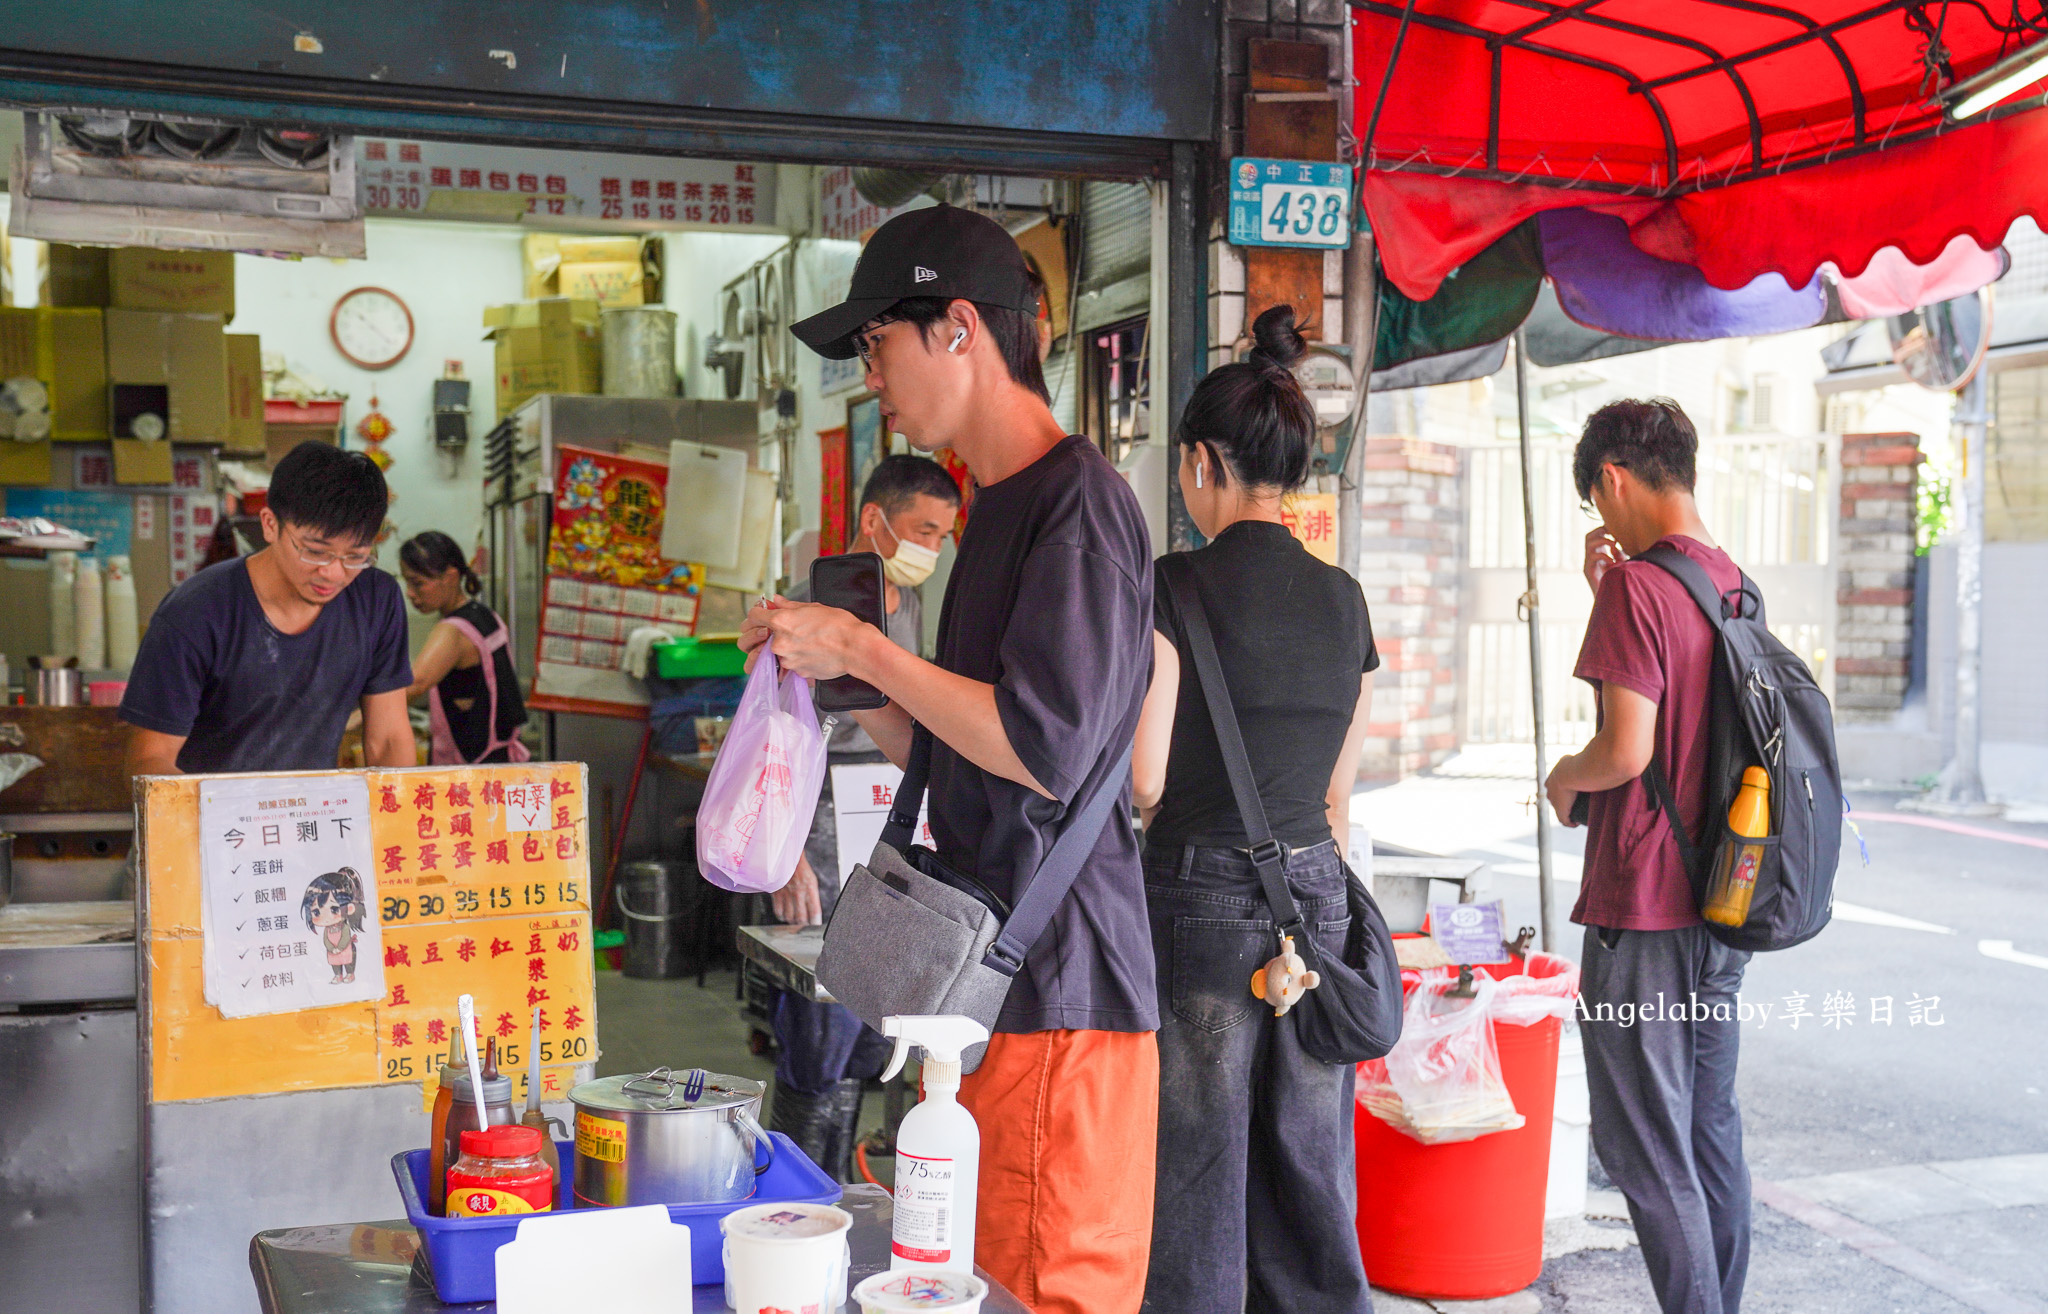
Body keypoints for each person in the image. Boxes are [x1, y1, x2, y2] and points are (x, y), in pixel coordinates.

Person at [744, 203, 1158, 1314]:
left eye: (879, 345)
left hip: (1059, 989)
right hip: (998, 985)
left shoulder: (1074, 504)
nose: (870, 377)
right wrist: (838, 672)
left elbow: (1041, 745)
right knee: (973, 1282)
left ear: (959, 329)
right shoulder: (997, 511)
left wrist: (869, 644)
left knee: (1040, 1288)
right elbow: (967, 744)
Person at [1128, 305, 1378, 1314]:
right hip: (1310, 891)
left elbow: (1145, 781)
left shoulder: (1170, 587)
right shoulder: (1344, 599)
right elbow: (1337, 791)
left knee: (1195, 1153)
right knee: (1306, 1147)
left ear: (1199, 462)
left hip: (1194, 895)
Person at [1543, 398, 1752, 1314]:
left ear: (1614, 480)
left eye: (1597, 499)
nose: (1602, 518)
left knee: (1642, 1145)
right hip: (1726, 898)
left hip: (1646, 907)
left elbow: (1626, 752)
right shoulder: (1731, 581)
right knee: (1706, 1127)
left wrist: (1562, 777)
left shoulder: (1638, 591)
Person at [767, 453, 961, 1180]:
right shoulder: (802, 609)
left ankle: (842, 1191)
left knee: (871, 1029)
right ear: (873, 520)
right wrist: (784, 858)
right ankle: (794, 1189)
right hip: (813, 834)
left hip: (881, 828)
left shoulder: (902, 603)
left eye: (944, 536)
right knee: (818, 1029)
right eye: (923, 530)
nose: (932, 551)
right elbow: (770, 746)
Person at [122, 442, 414, 775]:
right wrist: (221, 819)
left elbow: (388, 738)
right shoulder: (195, 613)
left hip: (315, 819)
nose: (333, 573)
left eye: (355, 556)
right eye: (315, 552)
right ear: (270, 524)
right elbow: (150, 761)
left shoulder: (376, 600)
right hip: (216, 819)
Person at [398, 530, 530, 765]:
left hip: (471, 769)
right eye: (406, 582)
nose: (409, 593)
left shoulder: (453, 630)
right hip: (500, 759)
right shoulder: (484, 615)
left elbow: (413, 686)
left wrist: (353, 719)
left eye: (417, 583)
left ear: (450, 577)